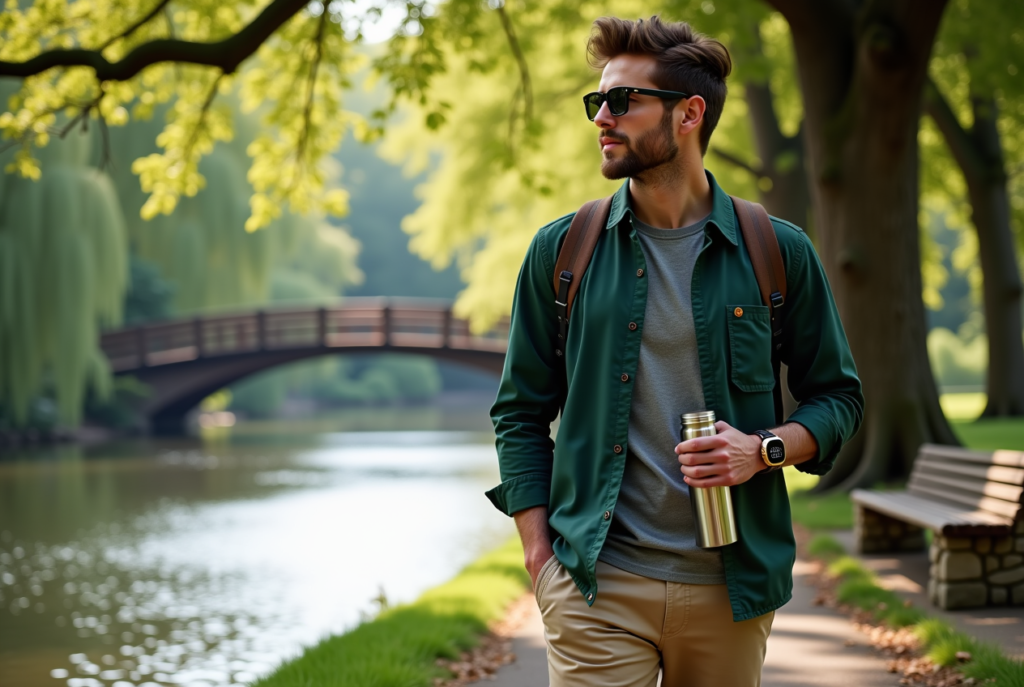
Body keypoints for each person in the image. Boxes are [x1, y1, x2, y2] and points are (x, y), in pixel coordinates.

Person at [485, 14, 864, 687]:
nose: (602, 116)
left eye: (623, 100)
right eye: (596, 101)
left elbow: (840, 398)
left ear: (689, 114)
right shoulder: (563, 251)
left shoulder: (777, 251)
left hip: (731, 587)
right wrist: (539, 554)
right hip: (595, 585)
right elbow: (519, 412)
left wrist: (764, 449)